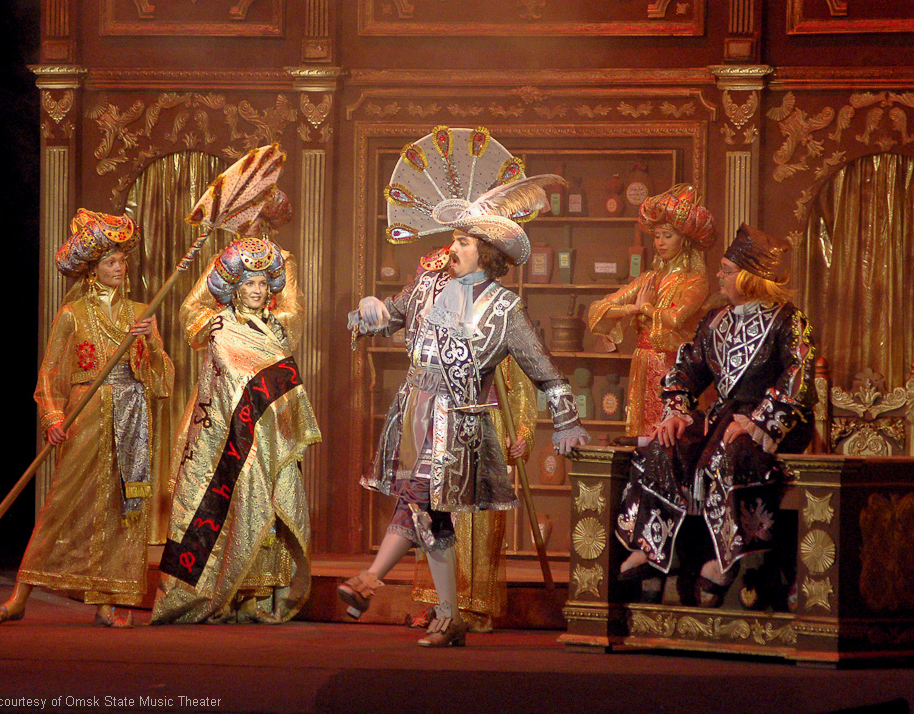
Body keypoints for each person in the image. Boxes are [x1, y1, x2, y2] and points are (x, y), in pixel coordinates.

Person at [342, 186, 590, 647]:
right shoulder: (426, 287)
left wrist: (566, 421)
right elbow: (383, 318)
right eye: (455, 239)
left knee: (419, 496)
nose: (453, 248)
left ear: (487, 254)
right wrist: (367, 310)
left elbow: (545, 371)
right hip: (414, 414)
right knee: (434, 519)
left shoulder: (505, 309)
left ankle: (369, 579)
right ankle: (451, 617)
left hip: (459, 425)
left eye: (464, 242)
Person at [0, 209, 175, 628]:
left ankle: (107, 602)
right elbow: (50, 374)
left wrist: (152, 345)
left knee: (123, 507)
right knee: (62, 504)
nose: (119, 268)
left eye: (122, 261)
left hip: (132, 416)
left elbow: (162, 382)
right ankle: (19, 596)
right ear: (91, 269)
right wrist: (53, 417)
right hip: (87, 414)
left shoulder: (142, 312)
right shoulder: (73, 314)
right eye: (110, 261)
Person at [615, 223, 817, 607]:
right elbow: (686, 372)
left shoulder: (789, 321)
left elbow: (799, 378)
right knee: (664, 444)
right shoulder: (715, 321)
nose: (719, 276)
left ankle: (730, 562)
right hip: (723, 418)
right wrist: (676, 412)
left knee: (734, 453)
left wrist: (756, 421)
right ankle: (654, 551)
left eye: (726, 270)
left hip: (775, 423)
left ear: (749, 276)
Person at [151, 225, 321, 625]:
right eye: (249, 284)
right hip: (225, 435)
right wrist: (202, 324)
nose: (257, 290)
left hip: (270, 432)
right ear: (235, 288)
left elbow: (292, 315)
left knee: (268, 504)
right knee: (231, 500)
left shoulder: (277, 325)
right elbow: (194, 318)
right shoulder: (221, 324)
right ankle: (219, 593)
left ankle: (257, 595)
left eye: (263, 283)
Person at [410, 350, 537, 634]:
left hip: (487, 425)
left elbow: (522, 393)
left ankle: (474, 604)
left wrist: (522, 434)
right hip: (445, 421)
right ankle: (441, 602)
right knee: (440, 511)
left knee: (478, 523)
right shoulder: (445, 333)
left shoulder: (502, 335)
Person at [588, 184, 715, 437]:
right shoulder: (649, 278)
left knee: (672, 432)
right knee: (642, 433)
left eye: (667, 236)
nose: (660, 243)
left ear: (684, 240)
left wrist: (646, 308)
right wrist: (631, 308)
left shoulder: (695, 281)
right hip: (643, 362)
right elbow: (599, 308)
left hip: (675, 366)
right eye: (656, 236)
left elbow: (676, 318)